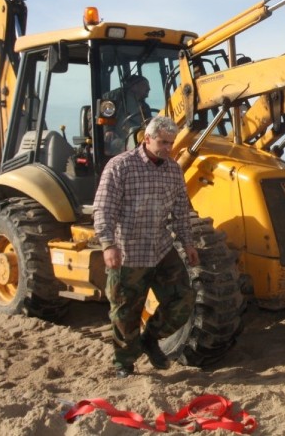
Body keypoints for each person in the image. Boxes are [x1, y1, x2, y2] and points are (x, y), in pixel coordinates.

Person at [93, 115, 199, 378]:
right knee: (125, 313)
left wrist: (188, 244)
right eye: (163, 142)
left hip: (162, 248)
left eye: (171, 143)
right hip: (129, 250)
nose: (168, 148)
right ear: (147, 138)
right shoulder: (120, 167)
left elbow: (181, 213)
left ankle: (150, 338)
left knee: (183, 299)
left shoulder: (173, 170)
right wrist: (108, 244)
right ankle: (124, 365)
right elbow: (103, 209)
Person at [103, 74, 153, 154]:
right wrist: (108, 130)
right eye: (145, 85)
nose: (149, 89)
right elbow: (103, 112)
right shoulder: (114, 97)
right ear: (135, 86)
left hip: (139, 139)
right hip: (118, 140)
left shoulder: (145, 107)